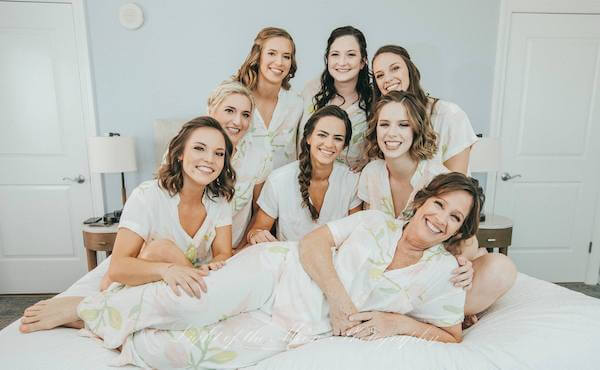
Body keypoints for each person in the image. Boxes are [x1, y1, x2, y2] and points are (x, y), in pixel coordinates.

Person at [20, 173, 483, 370]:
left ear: (460, 229)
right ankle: (87, 307)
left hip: (296, 325)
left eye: (454, 217)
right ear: (422, 201)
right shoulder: (375, 222)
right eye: (438, 204)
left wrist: (396, 323)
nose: (440, 217)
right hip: (276, 271)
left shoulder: (443, 273)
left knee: (191, 356)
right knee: (190, 304)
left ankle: (120, 330)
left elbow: (450, 334)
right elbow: (313, 241)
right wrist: (342, 300)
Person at [360, 91, 516, 320]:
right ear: (376, 130)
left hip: (429, 270)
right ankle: (436, 313)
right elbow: (365, 231)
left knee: (501, 267)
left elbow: (466, 239)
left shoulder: (438, 176)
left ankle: (440, 312)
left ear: (416, 130)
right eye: (384, 124)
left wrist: (466, 265)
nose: (392, 133)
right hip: (388, 267)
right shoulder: (371, 174)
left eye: (403, 125)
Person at [97, 117, 235, 296]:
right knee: (161, 249)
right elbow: (117, 268)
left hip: (184, 282)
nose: (210, 159)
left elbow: (224, 253)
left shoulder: (220, 201)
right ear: (180, 154)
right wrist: (166, 270)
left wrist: (214, 264)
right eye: (199, 148)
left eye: (219, 153)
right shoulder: (147, 195)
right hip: (144, 278)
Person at [244, 105, 361, 245]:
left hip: (335, 261)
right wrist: (256, 235)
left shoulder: (351, 180)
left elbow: (356, 233)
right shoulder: (279, 180)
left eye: (338, 138)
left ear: (345, 145)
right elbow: (258, 229)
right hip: (289, 261)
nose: (329, 144)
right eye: (322, 135)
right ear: (308, 137)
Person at [372, 45, 478, 173]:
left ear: (410, 70)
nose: (388, 79)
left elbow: (457, 181)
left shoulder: (449, 115)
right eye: (380, 75)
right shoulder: (380, 119)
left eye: (395, 68)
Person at [298, 26, 372, 169]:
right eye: (335, 54)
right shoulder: (311, 91)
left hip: (352, 185)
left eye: (350, 55)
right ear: (327, 59)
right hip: (306, 178)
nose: (342, 62)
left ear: (363, 62)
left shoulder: (373, 101)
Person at [234, 27, 303, 176]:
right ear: (258, 56)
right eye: (271, 53)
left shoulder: (296, 104)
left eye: (286, 56)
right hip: (237, 190)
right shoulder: (232, 96)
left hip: (279, 193)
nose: (279, 62)